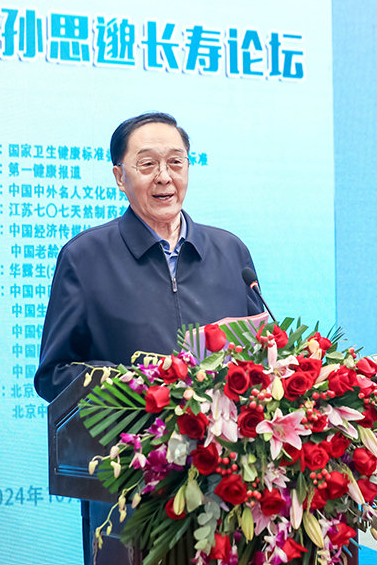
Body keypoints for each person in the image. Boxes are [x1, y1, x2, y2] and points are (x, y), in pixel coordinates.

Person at [35, 112, 264, 565]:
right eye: (147, 164)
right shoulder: (85, 258)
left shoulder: (229, 252)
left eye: (176, 162)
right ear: (120, 176)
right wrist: (138, 389)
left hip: (227, 483)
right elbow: (54, 375)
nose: (164, 177)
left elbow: (262, 356)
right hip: (130, 492)